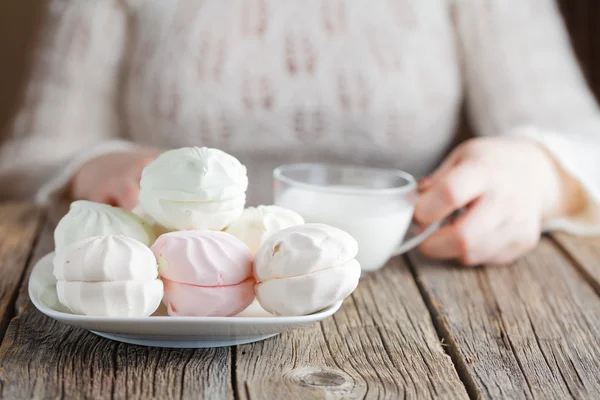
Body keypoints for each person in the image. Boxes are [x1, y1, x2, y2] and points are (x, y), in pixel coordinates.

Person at [1, 0, 599, 266]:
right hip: (170, 297)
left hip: (408, 289)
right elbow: (29, 158)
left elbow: (583, 142)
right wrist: (96, 164)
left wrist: (537, 172)